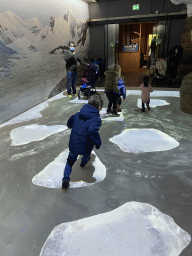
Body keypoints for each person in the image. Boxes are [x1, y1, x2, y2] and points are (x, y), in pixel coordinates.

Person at [62, 93, 103, 189]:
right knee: (87, 154)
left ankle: (65, 179)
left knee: (70, 161)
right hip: (86, 145)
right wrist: (97, 142)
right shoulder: (96, 119)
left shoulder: (78, 114)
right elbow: (92, 131)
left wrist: (74, 125)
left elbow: (69, 123)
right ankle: (83, 163)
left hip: (74, 143)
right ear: (99, 106)